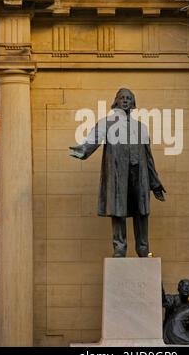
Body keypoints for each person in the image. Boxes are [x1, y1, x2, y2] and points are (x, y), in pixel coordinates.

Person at [69, 88, 166, 258]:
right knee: (118, 211)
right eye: (122, 98)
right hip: (119, 174)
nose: (125, 100)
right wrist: (82, 151)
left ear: (133, 103)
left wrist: (154, 183)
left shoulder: (141, 127)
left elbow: (148, 157)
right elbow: (93, 139)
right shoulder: (107, 122)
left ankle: (143, 248)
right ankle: (119, 247)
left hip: (138, 174)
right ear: (116, 101)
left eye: (129, 98)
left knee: (141, 212)